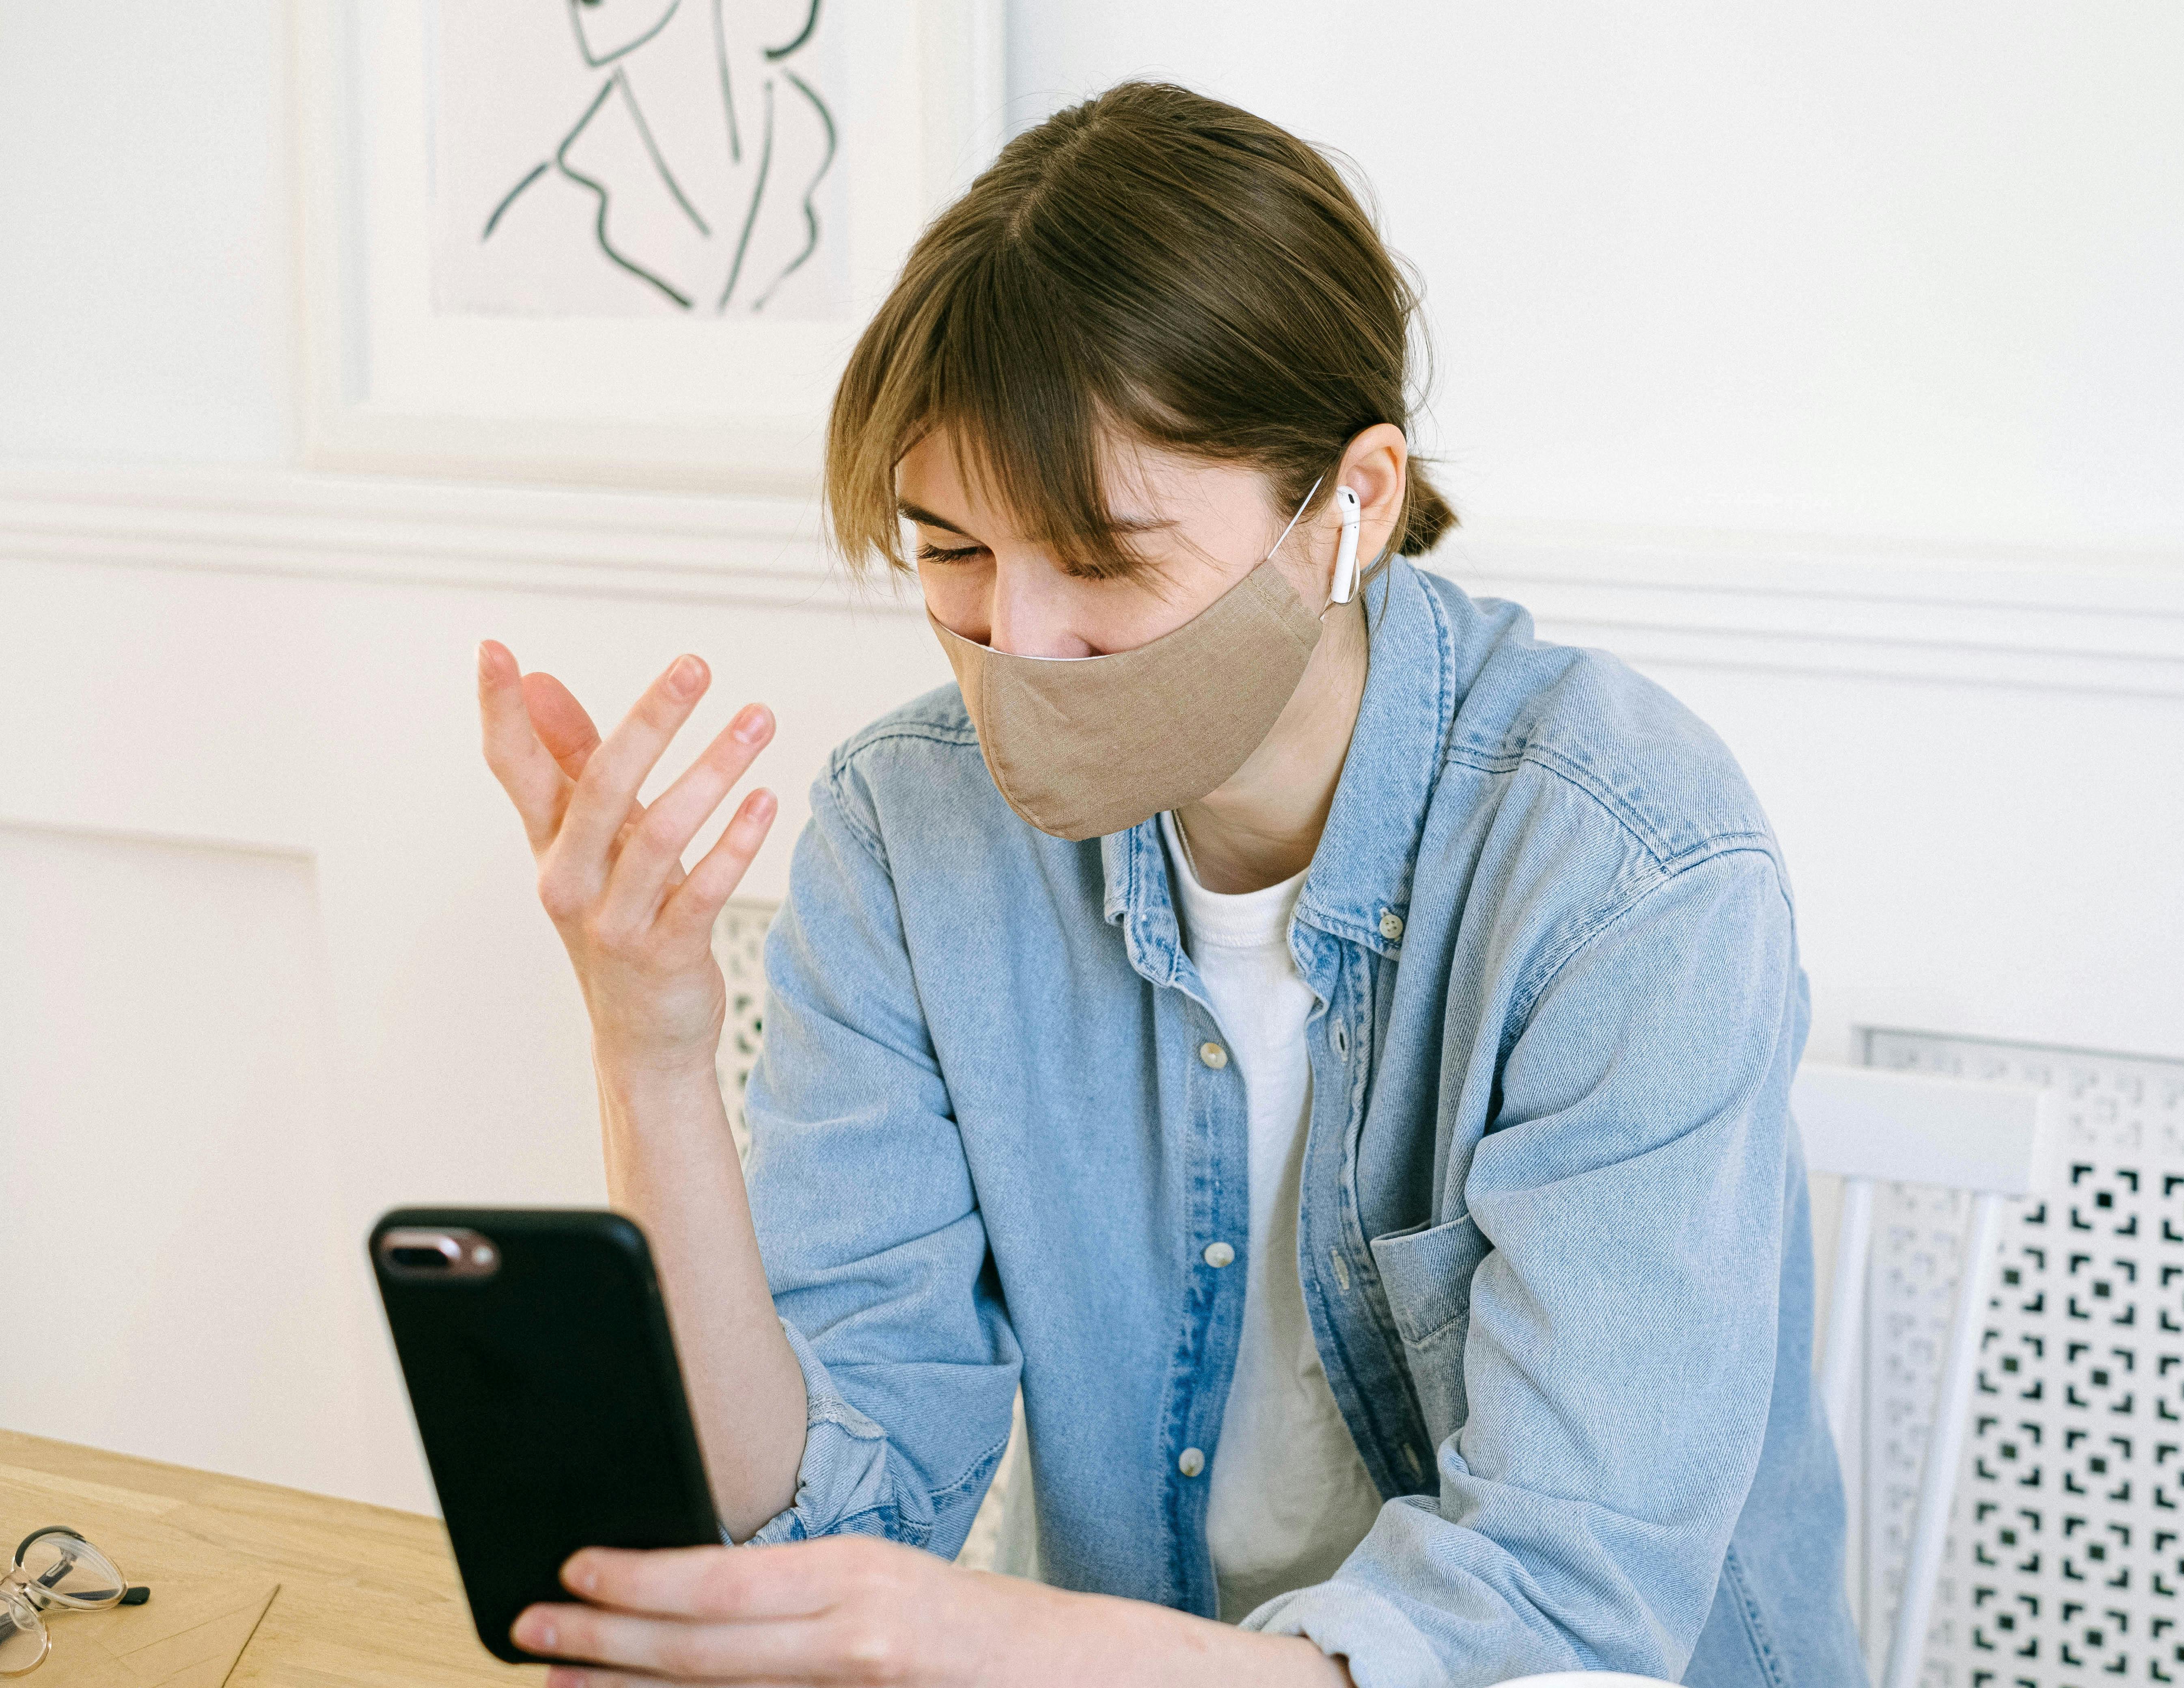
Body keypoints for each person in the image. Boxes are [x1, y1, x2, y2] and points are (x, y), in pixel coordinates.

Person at [474, 80, 1867, 1688]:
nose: (1020, 642)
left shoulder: (1626, 858)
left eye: (1108, 562)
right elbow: (814, 1520)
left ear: (1352, 505)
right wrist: (648, 1042)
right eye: (952, 551)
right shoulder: (910, 834)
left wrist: (980, 1633)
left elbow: (1559, 1610)